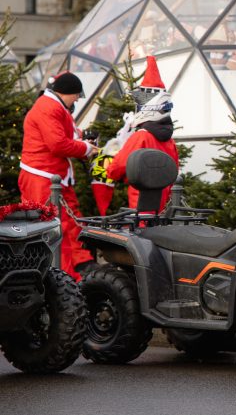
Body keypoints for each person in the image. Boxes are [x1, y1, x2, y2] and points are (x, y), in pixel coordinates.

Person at [18, 72, 98, 279]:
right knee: (53, 227)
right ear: (67, 92)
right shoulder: (49, 107)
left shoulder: (52, 106)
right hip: (44, 176)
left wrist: (82, 141)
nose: (78, 99)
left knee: (67, 224)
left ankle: (75, 272)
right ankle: (61, 276)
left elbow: (63, 136)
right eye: (76, 95)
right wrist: (85, 148)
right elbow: (57, 144)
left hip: (52, 176)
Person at [107, 56, 180, 212]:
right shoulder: (169, 141)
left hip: (142, 201)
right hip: (163, 201)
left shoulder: (141, 136)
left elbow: (116, 168)